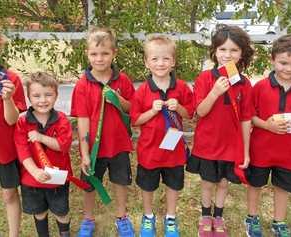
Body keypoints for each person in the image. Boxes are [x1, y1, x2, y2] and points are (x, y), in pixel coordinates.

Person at [186, 24, 254, 237]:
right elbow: (201, 111)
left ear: (242, 53)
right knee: (207, 183)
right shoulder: (205, 78)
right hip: (207, 144)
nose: (228, 55)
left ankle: (219, 217)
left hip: (231, 145)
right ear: (215, 52)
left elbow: (245, 120)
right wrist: (215, 92)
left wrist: (245, 151)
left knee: (224, 183)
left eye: (234, 50)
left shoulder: (244, 84)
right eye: (223, 49)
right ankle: (205, 216)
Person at [71, 26, 135, 237]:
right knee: (89, 184)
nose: (99, 58)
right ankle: (88, 218)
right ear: (87, 54)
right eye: (94, 54)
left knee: (120, 182)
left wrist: (118, 99)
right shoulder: (82, 85)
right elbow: (82, 120)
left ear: (114, 53)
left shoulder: (122, 80)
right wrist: (85, 152)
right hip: (94, 149)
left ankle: (121, 217)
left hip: (118, 145)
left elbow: (131, 109)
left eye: (105, 53)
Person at [130, 35, 193, 237]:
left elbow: (190, 113)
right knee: (148, 186)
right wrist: (152, 111)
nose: (160, 63)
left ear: (173, 61)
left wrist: (180, 107)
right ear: (147, 62)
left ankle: (171, 217)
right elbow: (135, 120)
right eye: (155, 59)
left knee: (173, 184)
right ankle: (148, 216)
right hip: (150, 151)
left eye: (166, 59)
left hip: (174, 152)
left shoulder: (182, 87)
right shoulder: (142, 91)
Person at [245, 34, 291, 237]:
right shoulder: (260, 87)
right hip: (261, 150)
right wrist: (267, 125)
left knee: (282, 188)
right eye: (283, 62)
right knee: (255, 184)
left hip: (290, 152)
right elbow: (249, 116)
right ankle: (251, 217)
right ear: (272, 59)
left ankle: (279, 221)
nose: (288, 68)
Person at [14, 72, 73, 237]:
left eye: (48, 95)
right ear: (29, 97)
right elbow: (22, 151)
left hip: (58, 178)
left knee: (61, 212)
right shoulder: (22, 122)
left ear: (56, 96)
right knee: (39, 212)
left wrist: (41, 138)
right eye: (36, 95)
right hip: (32, 179)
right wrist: (35, 172)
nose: (42, 100)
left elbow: (64, 145)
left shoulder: (61, 120)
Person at [0, 16, 26, 237]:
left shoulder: (10, 78)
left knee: (9, 194)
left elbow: (12, 120)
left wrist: (7, 99)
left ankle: (13, 234)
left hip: (4, 150)